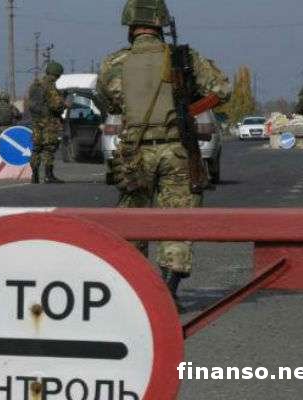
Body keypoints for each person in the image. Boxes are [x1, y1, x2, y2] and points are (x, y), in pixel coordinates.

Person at [97, 0, 231, 311]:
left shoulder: (114, 63)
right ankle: (168, 290)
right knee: (178, 220)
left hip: (135, 152)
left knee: (133, 219)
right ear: (161, 23)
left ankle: (136, 289)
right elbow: (222, 90)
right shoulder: (184, 58)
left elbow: (111, 102)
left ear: (130, 25)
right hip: (178, 149)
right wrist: (189, 109)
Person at [28, 61, 66, 184]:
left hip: (36, 121)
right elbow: (56, 105)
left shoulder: (34, 86)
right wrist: (64, 104)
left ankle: (34, 175)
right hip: (48, 122)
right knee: (49, 148)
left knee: (36, 148)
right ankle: (48, 176)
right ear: (57, 74)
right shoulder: (49, 86)